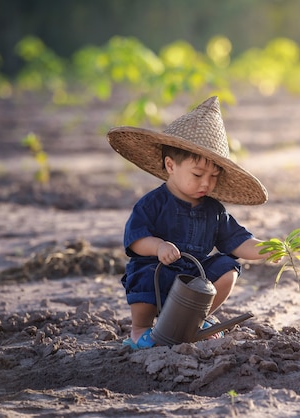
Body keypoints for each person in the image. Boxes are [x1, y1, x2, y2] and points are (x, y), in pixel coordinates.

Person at [107, 96, 269, 349]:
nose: (206, 183)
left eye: (213, 177)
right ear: (170, 166)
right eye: (197, 174)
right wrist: (159, 247)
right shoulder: (153, 204)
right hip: (158, 269)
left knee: (228, 267)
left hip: (195, 274)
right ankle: (140, 330)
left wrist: (268, 249)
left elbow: (238, 241)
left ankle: (195, 318)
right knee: (143, 275)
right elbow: (136, 239)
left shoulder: (214, 210)